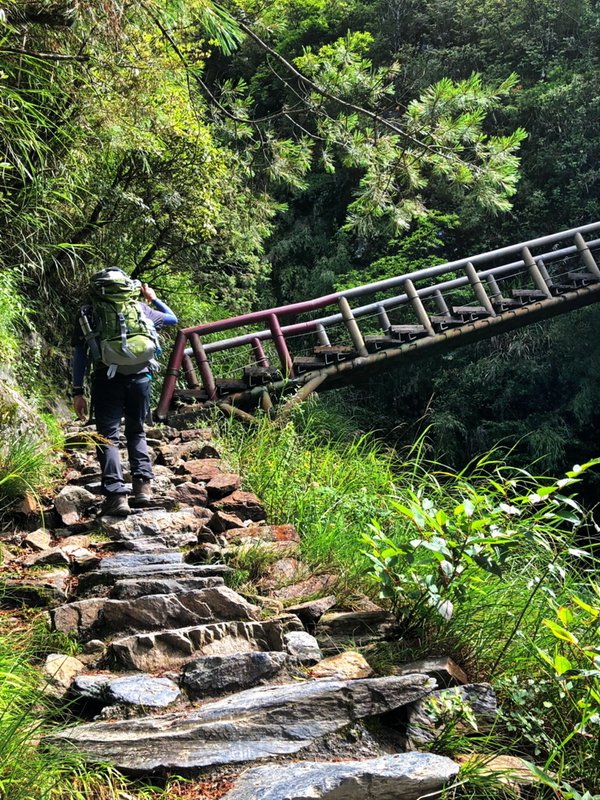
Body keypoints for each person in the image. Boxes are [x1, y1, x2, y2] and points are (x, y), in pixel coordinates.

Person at [71, 269, 178, 516]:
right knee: (136, 431)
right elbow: (172, 318)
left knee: (107, 437)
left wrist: (78, 391)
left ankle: (116, 496)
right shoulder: (141, 309)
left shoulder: (88, 313)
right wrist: (151, 297)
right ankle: (143, 489)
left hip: (106, 379)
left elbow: (80, 355)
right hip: (141, 378)